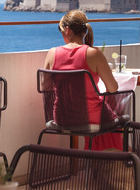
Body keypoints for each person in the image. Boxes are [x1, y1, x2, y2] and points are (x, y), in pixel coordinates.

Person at [44, 9, 122, 151]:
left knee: (106, 110)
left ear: (67, 30)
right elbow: (113, 88)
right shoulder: (94, 53)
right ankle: (111, 162)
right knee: (113, 113)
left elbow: (45, 86)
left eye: (60, 30)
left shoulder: (52, 53)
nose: (61, 33)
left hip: (61, 118)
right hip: (91, 118)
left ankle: (97, 161)